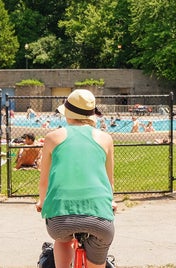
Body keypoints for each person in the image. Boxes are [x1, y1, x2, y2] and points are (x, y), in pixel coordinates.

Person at [36, 89, 116, 268]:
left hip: (60, 219)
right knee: (98, 256)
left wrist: (42, 201)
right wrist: (111, 201)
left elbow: (44, 182)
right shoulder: (105, 139)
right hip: (99, 219)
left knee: (62, 240)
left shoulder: (52, 138)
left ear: (68, 114)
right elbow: (109, 182)